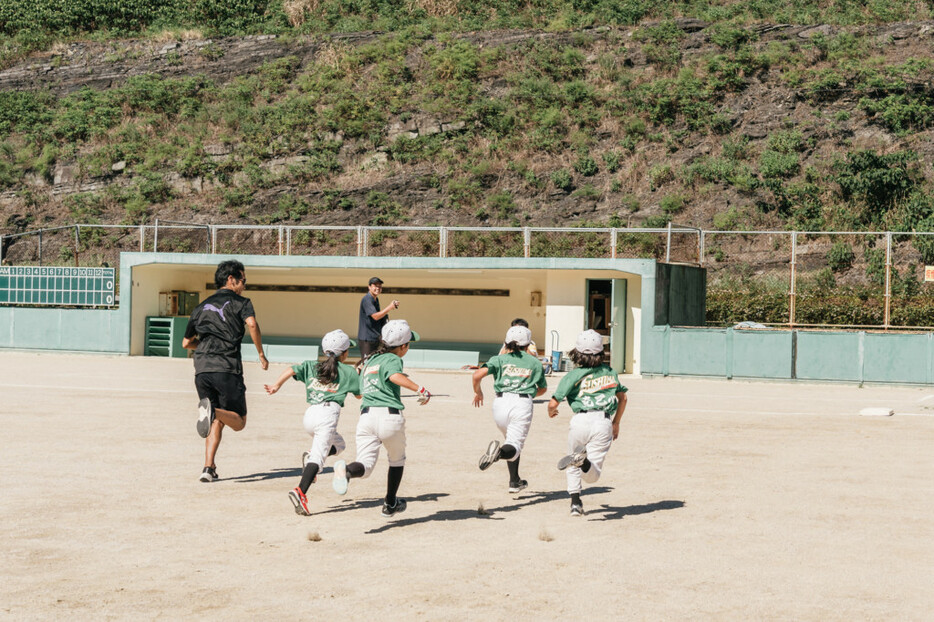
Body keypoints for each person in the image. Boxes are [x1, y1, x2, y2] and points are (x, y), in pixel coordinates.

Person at [331, 319, 431, 517]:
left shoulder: (369, 361)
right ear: (402, 346)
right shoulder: (393, 359)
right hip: (389, 417)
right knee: (396, 460)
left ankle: (347, 471)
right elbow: (394, 376)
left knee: (365, 466)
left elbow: (361, 388)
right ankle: (390, 502)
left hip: (366, 417)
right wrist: (420, 388)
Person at [182, 259, 268, 483]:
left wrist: (205, 349)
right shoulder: (242, 302)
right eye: (243, 279)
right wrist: (260, 353)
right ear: (231, 279)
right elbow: (251, 324)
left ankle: (208, 468)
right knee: (238, 422)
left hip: (201, 368)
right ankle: (213, 411)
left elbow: (185, 343)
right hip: (226, 368)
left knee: (215, 420)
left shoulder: (200, 307)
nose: (245, 284)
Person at [264, 329, 360, 516]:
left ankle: (310, 459)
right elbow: (359, 395)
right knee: (319, 457)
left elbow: (292, 369)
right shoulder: (348, 371)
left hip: (310, 415)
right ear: (345, 353)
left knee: (339, 445)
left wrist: (276, 385)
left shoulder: (312, 366)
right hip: (327, 415)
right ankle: (300, 491)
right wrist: (358, 375)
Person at [547, 329, 627, 517]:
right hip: (602, 422)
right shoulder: (610, 373)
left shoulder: (572, 375)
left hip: (579, 421)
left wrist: (552, 411)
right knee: (593, 474)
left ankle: (575, 503)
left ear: (577, 353)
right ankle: (583, 463)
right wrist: (616, 423)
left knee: (573, 460)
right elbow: (623, 399)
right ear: (601, 353)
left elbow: (553, 403)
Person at [472, 325, 548, 493]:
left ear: (505, 343)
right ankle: (497, 454)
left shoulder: (498, 359)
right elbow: (543, 389)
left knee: (510, 440)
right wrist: (528, 393)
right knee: (514, 445)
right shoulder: (534, 362)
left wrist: (478, 392)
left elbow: (476, 375)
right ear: (528, 345)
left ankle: (514, 481)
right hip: (521, 404)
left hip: (500, 403)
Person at [357, 277, 399, 360]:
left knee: (374, 364)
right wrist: (390, 307)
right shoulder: (367, 299)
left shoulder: (375, 299)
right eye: (375, 286)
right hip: (367, 339)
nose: (378, 288)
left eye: (380, 286)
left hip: (375, 338)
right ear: (369, 287)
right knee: (366, 364)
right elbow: (375, 316)